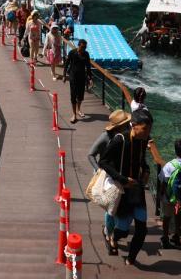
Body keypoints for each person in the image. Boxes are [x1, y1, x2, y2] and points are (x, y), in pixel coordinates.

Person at [98, 109, 153, 264]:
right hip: (123, 191)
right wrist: (121, 178)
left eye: (149, 129)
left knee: (142, 230)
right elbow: (103, 162)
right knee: (122, 230)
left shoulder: (143, 140)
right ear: (134, 125)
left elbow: (141, 161)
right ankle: (113, 236)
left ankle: (131, 259)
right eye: (145, 129)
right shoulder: (119, 140)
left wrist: (146, 170)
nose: (148, 133)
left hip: (137, 189)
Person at [88, 109, 131, 242]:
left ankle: (111, 230)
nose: (129, 125)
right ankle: (108, 232)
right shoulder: (106, 137)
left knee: (115, 204)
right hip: (106, 176)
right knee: (110, 205)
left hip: (119, 175)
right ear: (120, 126)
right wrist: (98, 170)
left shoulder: (126, 136)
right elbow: (90, 154)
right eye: (126, 123)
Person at [63, 38, 92, 123]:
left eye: (85, 47)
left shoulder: (86, 54)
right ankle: (74, 114)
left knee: (80, 96)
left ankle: (78, 109)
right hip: (73, 77)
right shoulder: (72, 53)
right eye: (82, 47)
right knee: (73, 96)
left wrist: (90, 78)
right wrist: (64, 75)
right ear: (78, 45)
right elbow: (67, 64)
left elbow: (88, 66)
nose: (84, 49)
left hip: (82, 77)